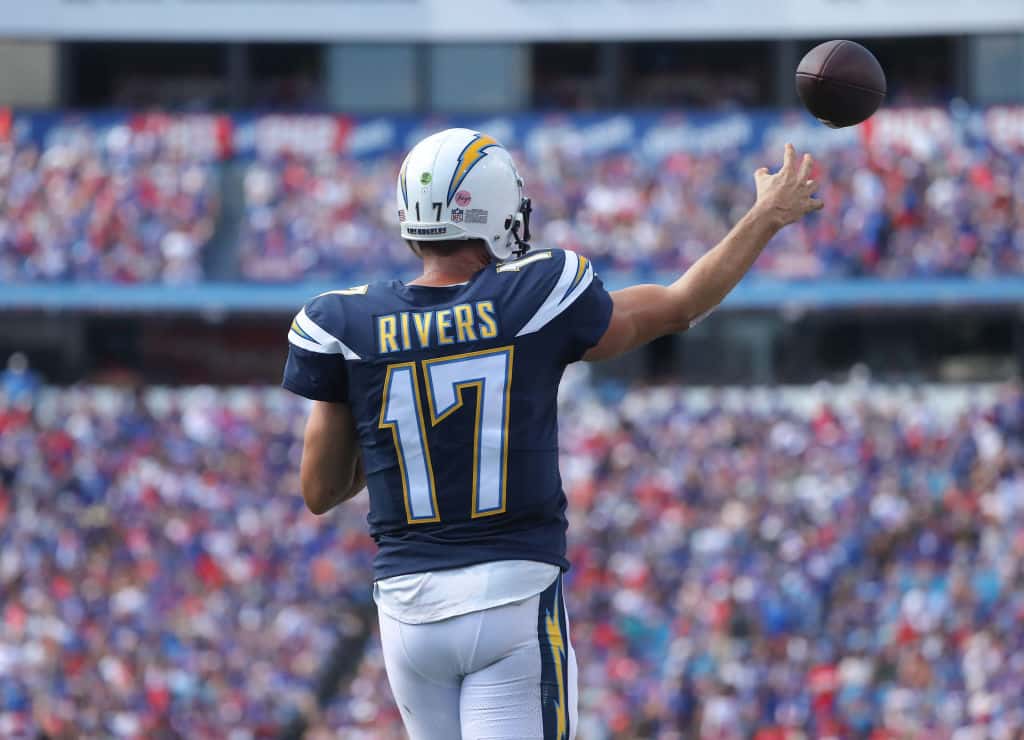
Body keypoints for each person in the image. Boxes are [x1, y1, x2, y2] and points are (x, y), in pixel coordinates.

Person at [281, 128, 822, 740]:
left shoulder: (344, 321)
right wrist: (764, 218)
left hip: (409, 611)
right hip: (510, 596)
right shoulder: (536, 292)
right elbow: (679, 305)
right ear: (494, 208)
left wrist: (377, 395)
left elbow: (321, 491)